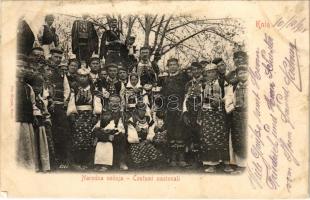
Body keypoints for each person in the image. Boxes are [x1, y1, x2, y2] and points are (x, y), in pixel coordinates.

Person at [67, 68, 102, 170]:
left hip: (89, 115)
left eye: (85, 76)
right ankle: (77, 161)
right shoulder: (74, 87)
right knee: (78, 138)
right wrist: (72, 113)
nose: (83, 78)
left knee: (89, 137)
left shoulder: (92, 87)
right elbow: (72, 101)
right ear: (77, 77)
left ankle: (87, 162)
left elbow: (96, 101)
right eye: (81, 76)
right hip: (78, 115)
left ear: (88, 77)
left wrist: (95, 115)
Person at [199, 63, 230, 173]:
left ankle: (226, 163)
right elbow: (201, 99)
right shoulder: (203, 85)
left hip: (219, 113)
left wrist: (220, 101)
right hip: (208, 113)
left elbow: (229, 95)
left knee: (221, 137)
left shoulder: (222, 82)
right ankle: (212, 164)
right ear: (206, 74)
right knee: (209, 138)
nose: (211, 74)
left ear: (216, 72)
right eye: (208, 72)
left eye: (213, 71)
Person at [161, 58, 190, 167]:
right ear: (168, 67)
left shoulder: (183, 77)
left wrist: (183, 108)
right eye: (170, 65)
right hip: (169, 110)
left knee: (180, 133)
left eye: (175, 64)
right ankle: (173, 158)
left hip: (180, 109)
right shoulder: (165, 79)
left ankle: (181, 158)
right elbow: (163, 95)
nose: (173, 66)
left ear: (178, 66)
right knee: (171, 133)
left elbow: (186, 93)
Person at [225, 51, 248, 173]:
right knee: (238, 138)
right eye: (240, 73)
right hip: (238, 115)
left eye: (245, 72)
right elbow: (228, 99)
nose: (243, 74)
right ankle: (240, 165)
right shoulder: (234, 85)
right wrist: (232, 109)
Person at [16, 54, 39, 171]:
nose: (22, 69)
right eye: (19, 66)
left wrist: (34, 115)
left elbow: (33, 103)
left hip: (27, 120)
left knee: (27, 145)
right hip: (15, 121)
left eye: (24, 67)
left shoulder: (28, 87)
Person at [93, 95, 128, 171]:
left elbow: (124, 130)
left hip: (118, 136)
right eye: (112, 101)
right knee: (102, 140)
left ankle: (121, 162)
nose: (115, 104)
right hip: (106, 136)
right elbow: (96, 129)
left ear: (120, 103)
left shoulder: (123, 115)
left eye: (117, 102)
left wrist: (115, 134)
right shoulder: (103, 114)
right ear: (108, 103)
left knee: (122, 137)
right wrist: (106, 136)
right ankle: (102, 164)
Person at [127, 102, 165, 169]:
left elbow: (151, 130)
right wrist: (139, 141)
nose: (143, 112)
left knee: (150, 148)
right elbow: (131, 134)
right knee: (138, 149)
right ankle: (140, 164)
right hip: (136, 141)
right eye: (140, 110)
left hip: (146, 140)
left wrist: (148, 139)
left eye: (144, 110)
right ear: (136, 110)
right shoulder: (132, 120)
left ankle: (151, 163)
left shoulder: (148, 118)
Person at [182, 62, 204, 167]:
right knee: (190, 135)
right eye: (193, 69)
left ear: (201, 70)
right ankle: (191, 159)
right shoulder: (188, 84)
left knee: (201, 134)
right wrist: (185, 112)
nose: (195, 71)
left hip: (201, 112)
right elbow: (185, 99)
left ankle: (202, 159)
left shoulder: (205, 82)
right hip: (190, 112)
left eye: (197, 69)